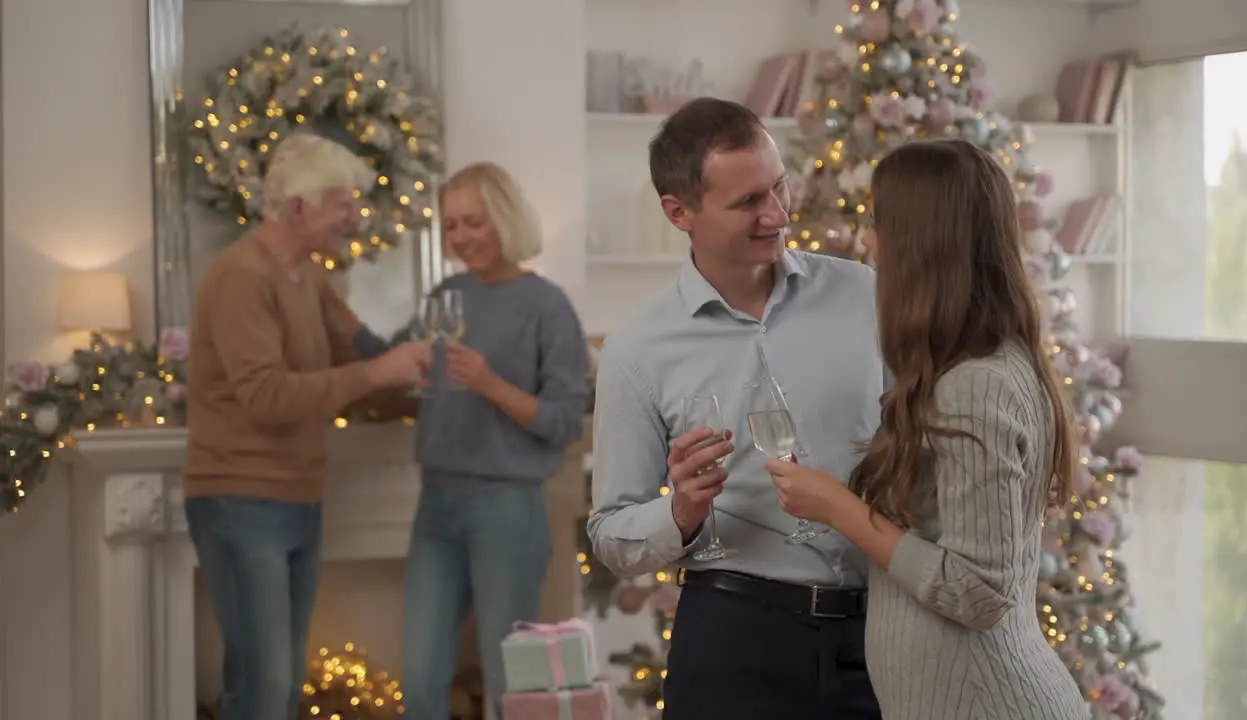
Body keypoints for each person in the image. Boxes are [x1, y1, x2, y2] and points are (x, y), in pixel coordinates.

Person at [763, 138, 1090, 720]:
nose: (867, 240)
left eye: (879, 222)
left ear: (922, 242)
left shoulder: (974, 386)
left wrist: (839, 508)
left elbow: (979, 591)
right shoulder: (978, 367)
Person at [587, 97, 887, 719]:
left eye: (778, 187)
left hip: (881, 639)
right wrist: (682, 511)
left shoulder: (868, 298)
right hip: (731, 644)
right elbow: (611, 534)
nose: (776, 214)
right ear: (679, 212)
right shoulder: (639, 350)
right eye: (748, 201)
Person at [183, 132, 434, 720]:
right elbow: (267, 396)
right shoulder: (242, 277)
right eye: (343, 204)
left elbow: (361, 346)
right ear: (299, 207)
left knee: (285, 682)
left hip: (298, 498)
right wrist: (378, 371)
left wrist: (431, 370)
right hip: (241, 499)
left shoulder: (311, 277)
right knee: (263, 687)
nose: (354, 217)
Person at [354, 162, 590, 720]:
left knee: (509, 680)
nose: (460, 237)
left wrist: (489, 385)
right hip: (436, 502)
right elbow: (393, 358)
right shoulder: (447, 294)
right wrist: (338, 322)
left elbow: (563, 421)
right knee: (419, 674)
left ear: (504, 220)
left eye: (473, 223)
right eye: (452, 225)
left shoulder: (547, 306)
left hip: (506, 509)